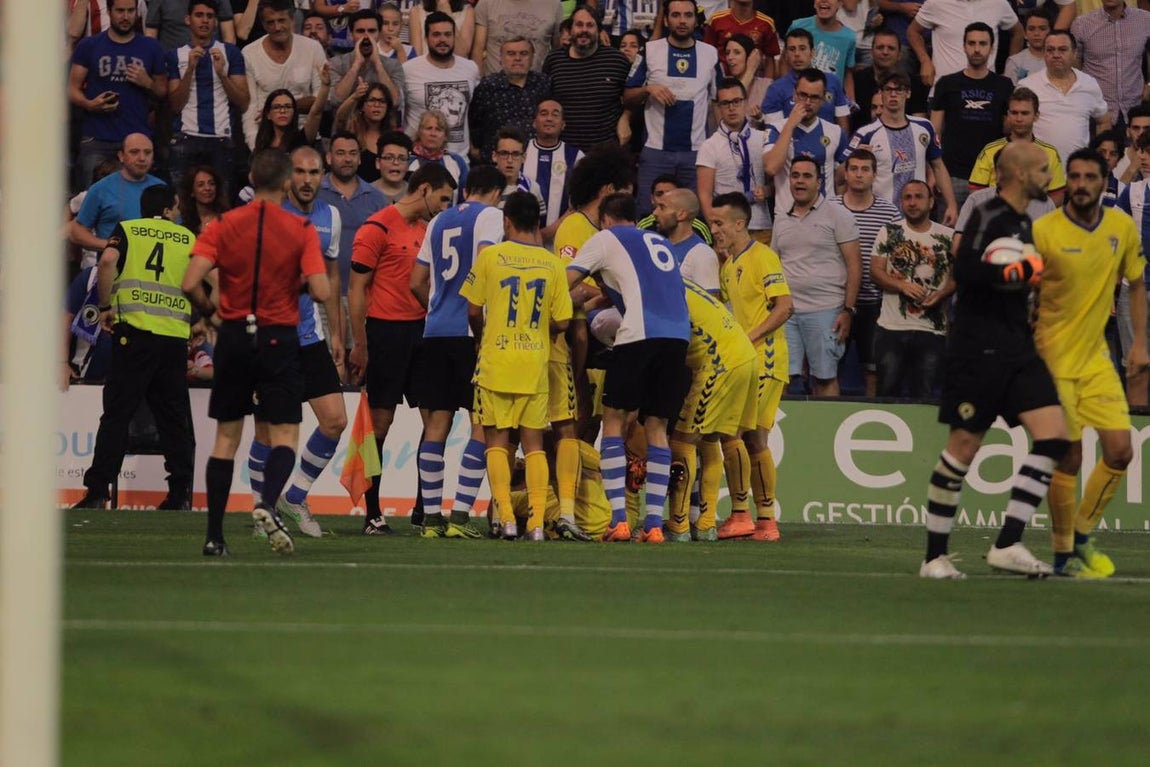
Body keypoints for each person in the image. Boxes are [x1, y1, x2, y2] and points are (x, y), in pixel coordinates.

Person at [919, 140, 1067, 579]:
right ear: (1020, 174)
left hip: (1018, 347)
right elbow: (964, 270)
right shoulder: (986, 214)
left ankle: (1007, 543)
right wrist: (1023, 271)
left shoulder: (1024, 222)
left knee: (1054, 437)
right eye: (1043, 170)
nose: (1049, 178)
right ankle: (934, 557)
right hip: (977, 348)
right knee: (963, 448)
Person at [183, 148, 331, 557]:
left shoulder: (222, 224)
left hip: (233, 336)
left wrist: (211, 315)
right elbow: (322, 290)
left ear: (251, 178)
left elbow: (190, 282)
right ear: (287, 182)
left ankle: (214, 537)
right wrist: (296, 284)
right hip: (278, 337)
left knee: (226, 439)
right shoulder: (301, 228)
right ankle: (267, 503)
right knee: (284, 434)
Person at [1033, 148, 1147, 578]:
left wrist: (1140, 344)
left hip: (1097, 359)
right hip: (1053, 359)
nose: (1080, 184)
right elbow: (1023, 289)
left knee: (1120, 451)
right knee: (1069, 458)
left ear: (1104, 182)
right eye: (1075, 177)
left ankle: (1080, 533)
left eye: (1089, 177)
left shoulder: (1121, 226)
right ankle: (1063, 554)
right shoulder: (1044, 230)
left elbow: (1137, 283)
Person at [567, 193, 692, 543]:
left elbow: (565, 280)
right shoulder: (658, 242)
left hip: (639, 334)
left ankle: (619, 521)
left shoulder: (605, 238)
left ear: (605, 219)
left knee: (613, 419)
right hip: (678, 337)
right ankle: (653, 525)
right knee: (657, 427)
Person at [71, 185, 197, 512]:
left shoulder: (128, 229)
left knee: (117, 415)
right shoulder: (188, 237)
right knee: (173, 420)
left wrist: (105, 306)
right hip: (173, 339)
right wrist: (206, 318)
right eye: (176, 207)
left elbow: (107, 261)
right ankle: (180, 494)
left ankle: (97, 492)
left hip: (134, 336)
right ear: (169, 209)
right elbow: (210, 279)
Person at [347, 163, 457, 535]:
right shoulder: (376, 227)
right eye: (442, 198)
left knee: (435, 420)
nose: (444, 207)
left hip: (424, 333)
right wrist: (359, 343)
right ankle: (373, 513)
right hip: (385, 334)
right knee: (380, 424)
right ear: (424, 189)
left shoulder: (428, 232)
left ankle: (424, 508)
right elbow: (356, 289)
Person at [462, 192, 574, 540]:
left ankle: (507, 518)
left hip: (496, 360)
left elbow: (472, 310)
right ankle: (537, 523)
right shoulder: (552, 263)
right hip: (534, 361)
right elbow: (563, 321)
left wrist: (482, 337)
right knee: (534, 443)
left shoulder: (490, 257)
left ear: (506, 221)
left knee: (496, 440)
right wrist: (538, 327)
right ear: (538, 224)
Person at [408, 166, 504, 538]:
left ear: (466, 189)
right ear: (496, 192)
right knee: (481, 424)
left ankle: (432, 520)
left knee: (436, 425)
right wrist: (479, 318)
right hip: (470, 332)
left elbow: (416, 281)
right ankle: (461, 518)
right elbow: (486, 263)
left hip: (435, 332)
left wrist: (436, 309)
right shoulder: (491, 216)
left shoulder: (437, 221)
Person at [261, 147, 348, 539]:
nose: (307, 179)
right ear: (287, 175)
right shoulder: (270, 216)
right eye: (300, 171)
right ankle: (263, 513)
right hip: (273, 338)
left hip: (310, 338)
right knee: (269, 432)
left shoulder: (331, 216)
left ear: (323, 175)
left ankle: (293, 498)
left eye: (314, 172)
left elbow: (331, 278)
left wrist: (338, 335)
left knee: (335, 420)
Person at [708, 192, 792, 541]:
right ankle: (760, 519)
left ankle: (749, 515)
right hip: (745, 362)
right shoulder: (729, 265)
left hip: (766, 359)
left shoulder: (763, 256)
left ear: (740, 223)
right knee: (747, 438)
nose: (714, 229)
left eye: (719, 223)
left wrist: (749, 338)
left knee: (741, 435)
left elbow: (784, 306)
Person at [665, 279, 761, 541]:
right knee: (710, 439)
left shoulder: (660, 287)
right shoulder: (682, 283)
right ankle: (706, 524)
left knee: (682, 441)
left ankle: (679, 525)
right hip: (745, 356)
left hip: (720, 364)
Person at [771, 156, 861, 398]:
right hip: (787, 313)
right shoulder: (781, 218)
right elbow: (774, 264)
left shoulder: (838, 215)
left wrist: (848, 310)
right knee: (780, 380)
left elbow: (855, 265)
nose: (800, 181)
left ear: (819, 183)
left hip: (826, 311)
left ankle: (828, 423)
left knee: (825, 378)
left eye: (807, 176)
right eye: (795, 176)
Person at [625, 0, 720, 216]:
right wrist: (648, 89)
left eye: (688, 15)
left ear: (696, 20)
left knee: (694, 217)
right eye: (676, 15)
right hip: (655, 152)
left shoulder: (710, 54)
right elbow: (627, 96)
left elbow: (718, 101)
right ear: (666, 20)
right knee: (648, 215)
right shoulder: (650, 50)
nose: (682, 21)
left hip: (697, 153)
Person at [68, 0, 168, 191]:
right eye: (120, 11)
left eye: (130, 11)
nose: (125, 16)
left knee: (137, 200)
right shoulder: (90, 45)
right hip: (96, 137)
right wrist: (89, 104)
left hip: (137, 137)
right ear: (109, 11)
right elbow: (72, 89)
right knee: (91, 198)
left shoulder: (151, 47)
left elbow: (162, 91)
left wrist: (147, 82)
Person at [869, 179, 953, 398]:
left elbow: (958, 278)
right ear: (901, 203)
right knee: (886, 395)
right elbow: (875, 272)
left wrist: (941, 294)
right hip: (891, 328)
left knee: (924, 398)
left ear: (931, 202)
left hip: (932, 330)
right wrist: (901, 285)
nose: (913, 202)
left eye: (918, 197)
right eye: (907, 197)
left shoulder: (948, 236)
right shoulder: (889, 231)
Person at [830, 148, 903, 398]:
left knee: (873, 370)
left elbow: (898, 259)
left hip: (875, 302)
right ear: (845, 173)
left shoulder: (890, 213)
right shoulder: (829, 207)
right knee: (828, 370)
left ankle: (871, 416)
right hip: (834, 301)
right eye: (853, 169)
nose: (859, 174)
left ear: (874, 174)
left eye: (864, 169)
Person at [846, 70, 958, 226]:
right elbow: (841, 175)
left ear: (908, 93)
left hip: (918, 216)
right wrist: (858, 157)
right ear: (881, 93)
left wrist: (951, 205)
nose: (893, 94)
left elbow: (938, 166)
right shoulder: (865, 134)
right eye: (888, 89)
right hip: (880, 218)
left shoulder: (924, 127)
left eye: (899, 89)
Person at [166, 0, 249, 197]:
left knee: (222, 204)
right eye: (199, 15)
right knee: (183, 204)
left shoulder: (231, 53)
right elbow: (175, 105)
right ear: (188, 20)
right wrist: (189, 70)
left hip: (221, 139)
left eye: (210, 16)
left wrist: (221, 73)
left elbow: (243, 101)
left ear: (216, 22)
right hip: (186, 138)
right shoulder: (175, 55)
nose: (204, 20)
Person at [928, 22, 1014, 211]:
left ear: (992, 48)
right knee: (949, 228)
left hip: (991, 176)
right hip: (952, 175)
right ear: (964, 46)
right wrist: (933, 173)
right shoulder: (946, 84)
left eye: (982, 44)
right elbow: (935, 133)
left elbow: (1010, 131)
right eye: (972, 43)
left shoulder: (1004, 85)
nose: (977, 49)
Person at [318, 131, 388, 356]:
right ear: (329, 158)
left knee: (359, 361)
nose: (347, 159)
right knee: (330, 360)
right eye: (340, 153)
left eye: (352, 153)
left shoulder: (376, 198)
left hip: (365, 296)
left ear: (359, 158)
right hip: (323, 296)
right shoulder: (315, 194)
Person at [241, 0, 329, 150]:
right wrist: (255, 147)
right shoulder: (249, 53)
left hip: (306, 134)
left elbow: (321, 100)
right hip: (266, 138)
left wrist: (282, 107)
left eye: (281, 20)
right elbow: (250, 108)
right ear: (263, 24)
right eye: (270, 22)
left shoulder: (312, 48)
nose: (277, 27)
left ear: (293, 19)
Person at [1018, 30, 1111, 171]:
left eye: (1062, 50)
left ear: (1074, 53)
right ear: (1044, 53)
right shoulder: (1027, 86)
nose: (1056, 55)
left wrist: (1095, 157)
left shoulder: (1089, 84)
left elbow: (1104, 120)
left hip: (1078, 172)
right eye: (1050, 50)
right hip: (1037, 172)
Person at [542, 5, 633, 151]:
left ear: (599, 30)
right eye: (579, 25)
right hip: (564, 151)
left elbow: (633, 98)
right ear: (570, 29)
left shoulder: (617, 60)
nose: (584, 30)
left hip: (606, 151)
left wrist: (626, 116)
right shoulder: (554, 60)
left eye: (590, 25)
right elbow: (545, 102)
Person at [763, 67, 848, 218]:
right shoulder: (775, 129)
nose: (807, 102)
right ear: (794, 95)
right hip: (787, 218)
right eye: (803, 95)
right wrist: (790, 125)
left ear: (823, 99)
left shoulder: (836, 132)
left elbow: (840, 181)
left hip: (826, 219)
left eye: (814, 97)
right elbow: (771, 168)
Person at [698, 77, 772, 238]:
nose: (732, 108)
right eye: (725, 103)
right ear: (719, 107)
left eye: (737, 101)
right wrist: (716, 231)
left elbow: (777, 182)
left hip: (761, 225)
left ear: (746, 101)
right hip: (727, 230)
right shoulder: (709, 146)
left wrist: (767, 190)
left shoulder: (762, 138)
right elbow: (704, 196)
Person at [68, 134, 165, 257]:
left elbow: (176, 230)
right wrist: (112, 246)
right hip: (113, 264)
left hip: (153, 263)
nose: (142, 158)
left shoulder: (162, 188)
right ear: (121, 156)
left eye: (147, 152)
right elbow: (77, 233)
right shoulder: (101, 189)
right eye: (134, 152)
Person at [968, 86, 1067, 206]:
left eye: (1025, 113)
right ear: (1008, 115)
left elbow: (1057, 195)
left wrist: (1032, 211)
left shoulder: (1050, 153)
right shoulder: (989, 151)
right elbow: (976, 191)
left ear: (1036, 116)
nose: (1019, 119)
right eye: (1014, 113)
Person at [402, 11, 481, 157]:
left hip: (459, 159)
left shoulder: (470, 68)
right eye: (436, 34)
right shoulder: (409, 69)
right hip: (418, 158)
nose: (443, 39)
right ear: (426, 38)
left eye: (448, 34)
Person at [468, 37, 552, 164]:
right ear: (501, 59)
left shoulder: (544, 84)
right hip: (495, 162)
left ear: (532, 58)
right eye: (511, 54)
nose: (517, 58)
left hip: (536, 160)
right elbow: (474, 124)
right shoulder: (487, 86)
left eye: (524, 53)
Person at [906, 0, 1021, 87]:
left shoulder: (998, 3)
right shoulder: (936, 3)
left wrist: (1010, 69)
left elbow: (1018, 33)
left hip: (987, 90)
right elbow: (913, 32)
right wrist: (925, 61)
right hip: (944, 89)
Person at [1071, 0, 1150, 126]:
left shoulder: (1145, 20)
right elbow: (1074, 66)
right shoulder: (1081, 24)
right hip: (1096, 112)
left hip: (1135, 109)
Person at [762, 28, 851, 134]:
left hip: (828, 142)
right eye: (792, 49)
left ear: (812, 52)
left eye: (802, 48)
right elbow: (774, 132)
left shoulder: (833, 81)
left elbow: (843, 124)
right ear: (786, 55)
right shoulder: (775, 89)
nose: (797, 54)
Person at [522, 99, 585, 241]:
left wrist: (548, 232)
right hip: (522, 239)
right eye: (544, 114)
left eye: (555, 115)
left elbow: (579, 203)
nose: (549, 118)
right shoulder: (520, 151)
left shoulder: (576, 156)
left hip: (560, 239)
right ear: (534, 122)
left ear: (563, 124)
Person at [850, 27, 929, 133]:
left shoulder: (914, 84)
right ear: (871, 52)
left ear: (900, 55)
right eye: (880, 47)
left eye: (891, 48)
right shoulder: (856, 80)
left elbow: (919, 126)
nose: (885, 52)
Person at [329, 9, 406, 114]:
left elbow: (396, 101)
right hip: (345, 123)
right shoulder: (336, 63)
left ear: (379, 34)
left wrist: (378, 64)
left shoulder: (393, 65)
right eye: (360, 31)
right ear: (351, 35)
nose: (366, 37)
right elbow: (335, 100)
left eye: (371, 31)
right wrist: (356, 65)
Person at [653, 188, 721, 294]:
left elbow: (710, 301)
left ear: (681, 214)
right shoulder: (658, 248)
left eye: (662, 207)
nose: (655, 213)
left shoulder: (702, 255)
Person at [471, 0, 564, 75]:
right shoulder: (486, 3)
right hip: (494, 86)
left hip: (538, 86)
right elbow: (478, 49)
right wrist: (479, 82)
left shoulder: (554, 4)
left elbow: (558, 50)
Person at [786, 0, 856, 99]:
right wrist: (786, 95)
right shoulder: (797, 26)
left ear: (840, 3)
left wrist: (851, 102)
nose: (824, 0)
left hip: (830, 101)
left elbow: (847, 75)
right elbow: (785, 61)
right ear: (814, 3)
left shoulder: (849, 37)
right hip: (799, 98)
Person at [334, 82, 398, 182]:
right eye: (372, 100)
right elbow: (340, 118)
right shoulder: (352, 133)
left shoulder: (394, 137)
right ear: (362, 106)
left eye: (382, 101)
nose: (377, 105)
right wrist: (354, 97)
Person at [704, 0, 781, 80]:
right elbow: (707, 55)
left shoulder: (766, 23)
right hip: (722, 80)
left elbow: (769, 60)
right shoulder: (716, 20)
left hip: (754, 79)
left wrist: (767, 84)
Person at [407, 110, 470, 202]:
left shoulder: (457, 162)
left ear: (445, 136)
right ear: (419, 132)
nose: (433, 134)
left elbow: (465, 200)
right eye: (428, 128)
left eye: (438, 129)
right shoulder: (407, 161)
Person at [635, 174, 713, 245]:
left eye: (670, 194)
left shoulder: (700, 229)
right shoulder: (643, 227)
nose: (664, 198)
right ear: (652, 198)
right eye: (659, 194)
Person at [721, 34, 772, 129]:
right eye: (727, 53)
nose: (730, 57)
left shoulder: (767, 85)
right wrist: (750, 71)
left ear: (750, 56)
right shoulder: (723, 84)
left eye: (737, 52)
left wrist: (760, 118)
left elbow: (775, 124)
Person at [492, 127, 545, 212]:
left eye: (515, 154)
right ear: (494, 156)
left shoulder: (532, 188)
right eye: (504, 153)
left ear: (523, 157)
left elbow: (539, 220)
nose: (510, 160)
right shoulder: (483, 187)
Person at [147, 0, 236, 50]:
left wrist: (227, 61)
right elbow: (150, 35)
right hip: (171, 65)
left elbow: (229, 37)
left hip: (213, 61)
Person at [411, 0, 476, 58]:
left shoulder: (468, 11)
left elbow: (462, 54)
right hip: (424, 65)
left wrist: (447, 12)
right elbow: (416, 55)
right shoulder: (416, 11)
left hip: (456, 66)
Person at [179, 165, 230, 235]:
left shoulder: (227, 220)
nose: (207, 188)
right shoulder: (184, 227)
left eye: (211, 184)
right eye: (201, 185)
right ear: (192, 192)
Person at [1004, 11, 1049, 85]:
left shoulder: (1057, 59)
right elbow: (1008, 90)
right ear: (1025, 33)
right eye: (1031, 29)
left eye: (1042, 29)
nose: (1037, 33)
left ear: (1050, 32)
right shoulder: (1015, 62)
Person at [373, 130, 415, 203]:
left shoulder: (416, 195)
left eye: (402, 159)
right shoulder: (365, 194)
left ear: (408, 165)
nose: (396, 162)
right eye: (389, 158)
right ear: (378, 163)